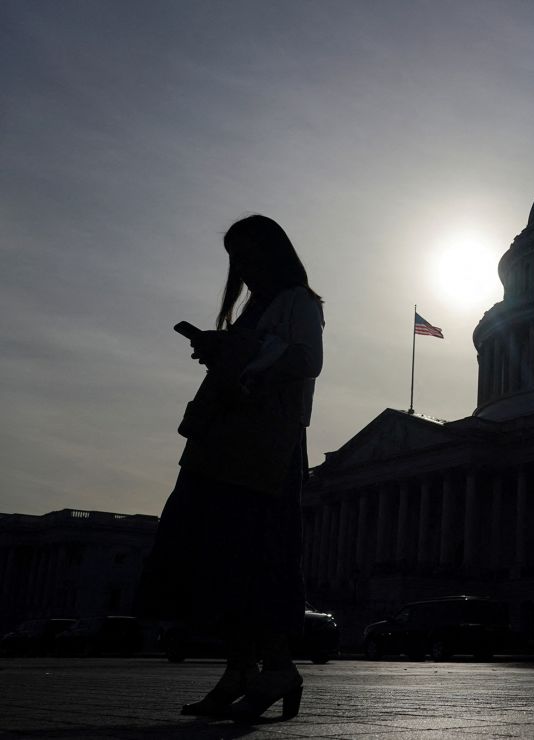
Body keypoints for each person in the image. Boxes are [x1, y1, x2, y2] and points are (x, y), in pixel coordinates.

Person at [138, 214, 324, 722]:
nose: (241, 267)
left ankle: (278, 668)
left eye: (247, 254)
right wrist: (219, 349)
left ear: (273, 252)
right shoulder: (254, 309)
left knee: (259, 558)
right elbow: (254, 360)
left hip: (264, 447)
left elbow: (306, 360)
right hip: (224, 443)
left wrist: (235, 352)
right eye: (234, 258)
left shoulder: (299, 303)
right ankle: (240, 669)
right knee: (222, 563)